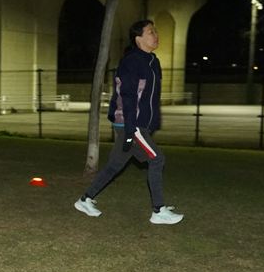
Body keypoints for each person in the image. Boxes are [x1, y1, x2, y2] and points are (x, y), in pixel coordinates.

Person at [74, 19, 184, 225]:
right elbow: (128, 96)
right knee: (157, 159)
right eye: (151, 32)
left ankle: (84, 200)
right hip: (130, 122)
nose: (156, 35)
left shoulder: (152, 61)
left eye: (155, 31)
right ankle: (158, 211)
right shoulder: (132, 61)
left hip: (138, 124)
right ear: (138, 38)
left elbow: (151, 98)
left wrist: (152, 123)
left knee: (115, 165)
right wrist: (132, 128)